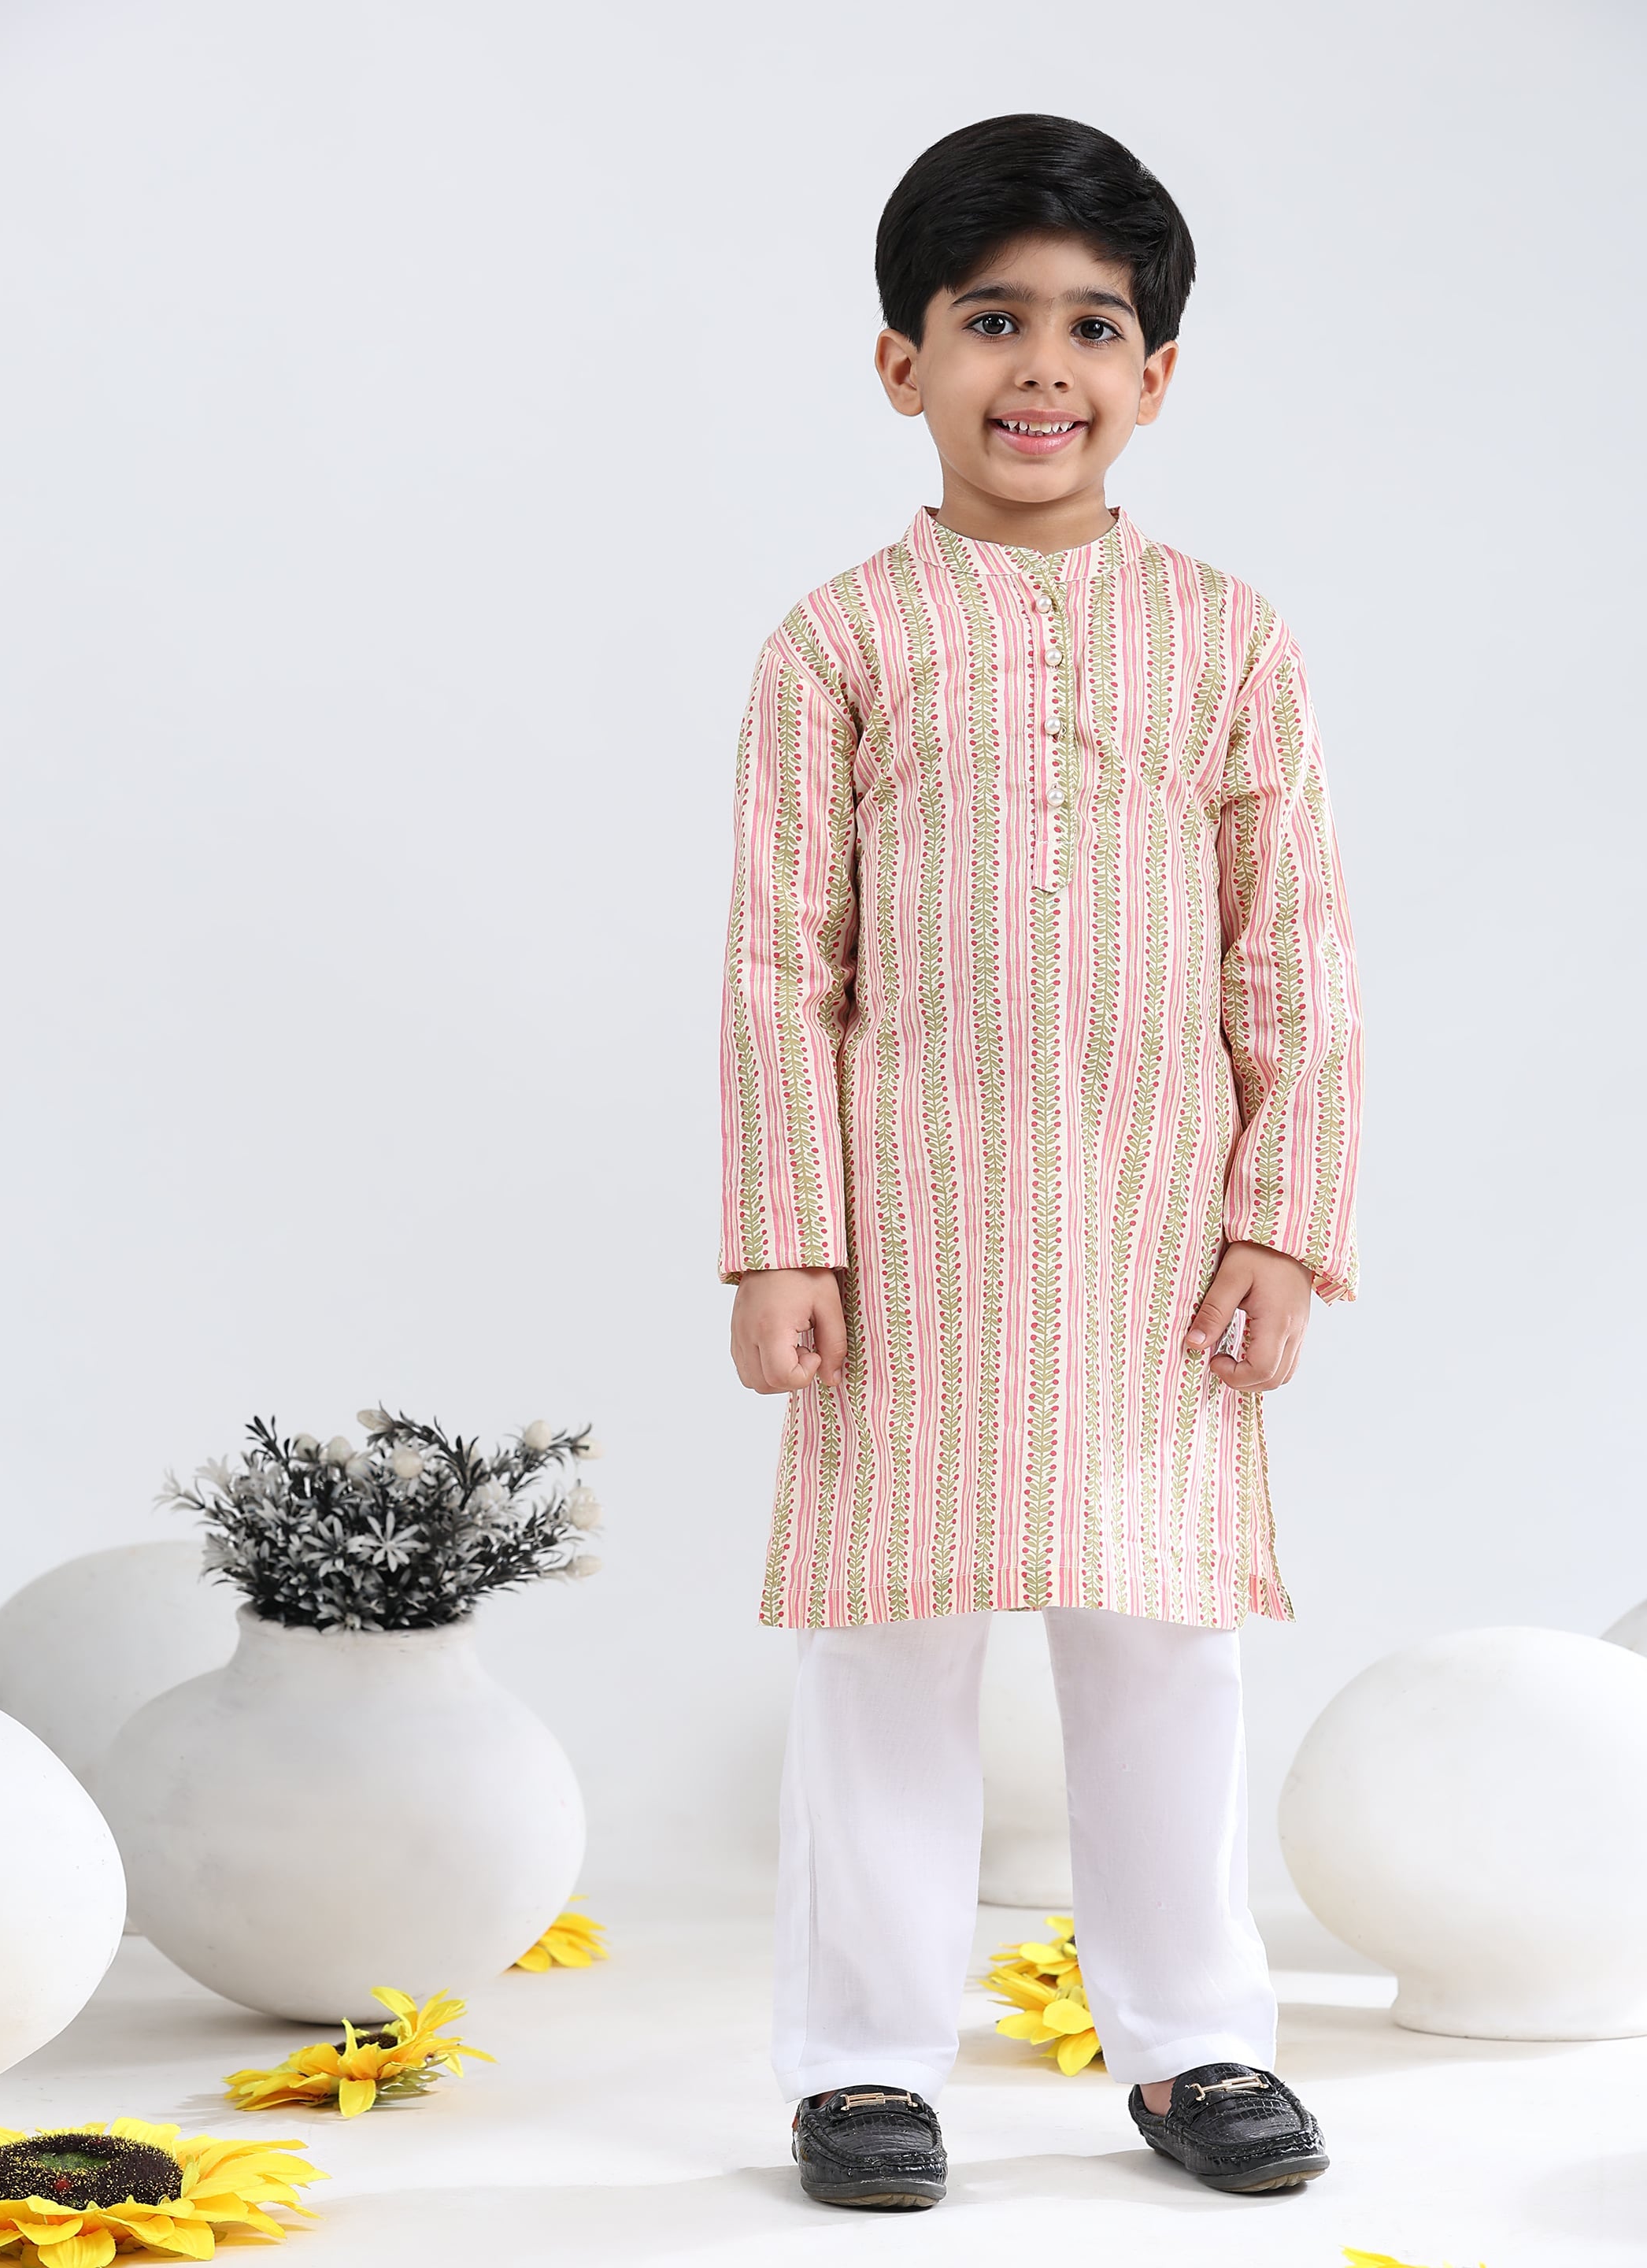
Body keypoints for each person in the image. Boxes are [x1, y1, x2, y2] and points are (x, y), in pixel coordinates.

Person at [717, 112, 1362, 2212]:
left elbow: (1295, 953)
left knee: (1165, 1634)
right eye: (992, 320)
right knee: (885, 1637)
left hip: (1158, 1234)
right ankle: (861, 2064)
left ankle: (1194, 2048)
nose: (1042, 369)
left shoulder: (1230, 639)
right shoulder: (838, 642)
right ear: (900, 360)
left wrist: (1285, 1221)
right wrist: (784, 1239)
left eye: (1093, 328)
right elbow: (781, 962)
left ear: (1155, 376)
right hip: (907, 1226)